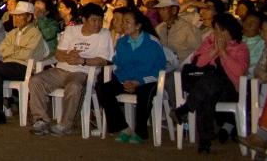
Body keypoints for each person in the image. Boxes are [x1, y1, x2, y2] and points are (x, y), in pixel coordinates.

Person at [28, 2, 113, 136]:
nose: (98, 24)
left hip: (83, 72)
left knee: (74, 86)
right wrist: (68, 56)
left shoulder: (104, 34)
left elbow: (103, 60)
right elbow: (58, 54)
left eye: (100, 20)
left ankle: (66, 124)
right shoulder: (71, 30)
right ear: (84, 19)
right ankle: (40, 119)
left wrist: (82, 61)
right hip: (62, 69)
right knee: (36, 81)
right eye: (94, 20)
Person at [174, 12, 250, 153]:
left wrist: (223, 52)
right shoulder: (209, 42)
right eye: (216, 29)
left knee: (214, 81)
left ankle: (185, 109)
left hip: (230, 89)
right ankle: (204, 141)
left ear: (230, 30)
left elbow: (239, 72)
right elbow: (198, 64)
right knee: (206, 96)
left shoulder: (241, 48)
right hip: (209, 89)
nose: (218, 33)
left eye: (221, 30)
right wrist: (214, 50)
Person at [95, 8, 168, 143]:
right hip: (126, 79)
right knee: (103, 88)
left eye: (127, 22)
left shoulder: (151, 42)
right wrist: (125, 81)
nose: (123, 25)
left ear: (138, 25)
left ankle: (140, 132)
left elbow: (158, 68)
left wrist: (138, 81)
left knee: (145, 94)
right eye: (123, 22)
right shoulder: (123, 42)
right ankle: (123, 127)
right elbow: (117, 65)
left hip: (147, 80)